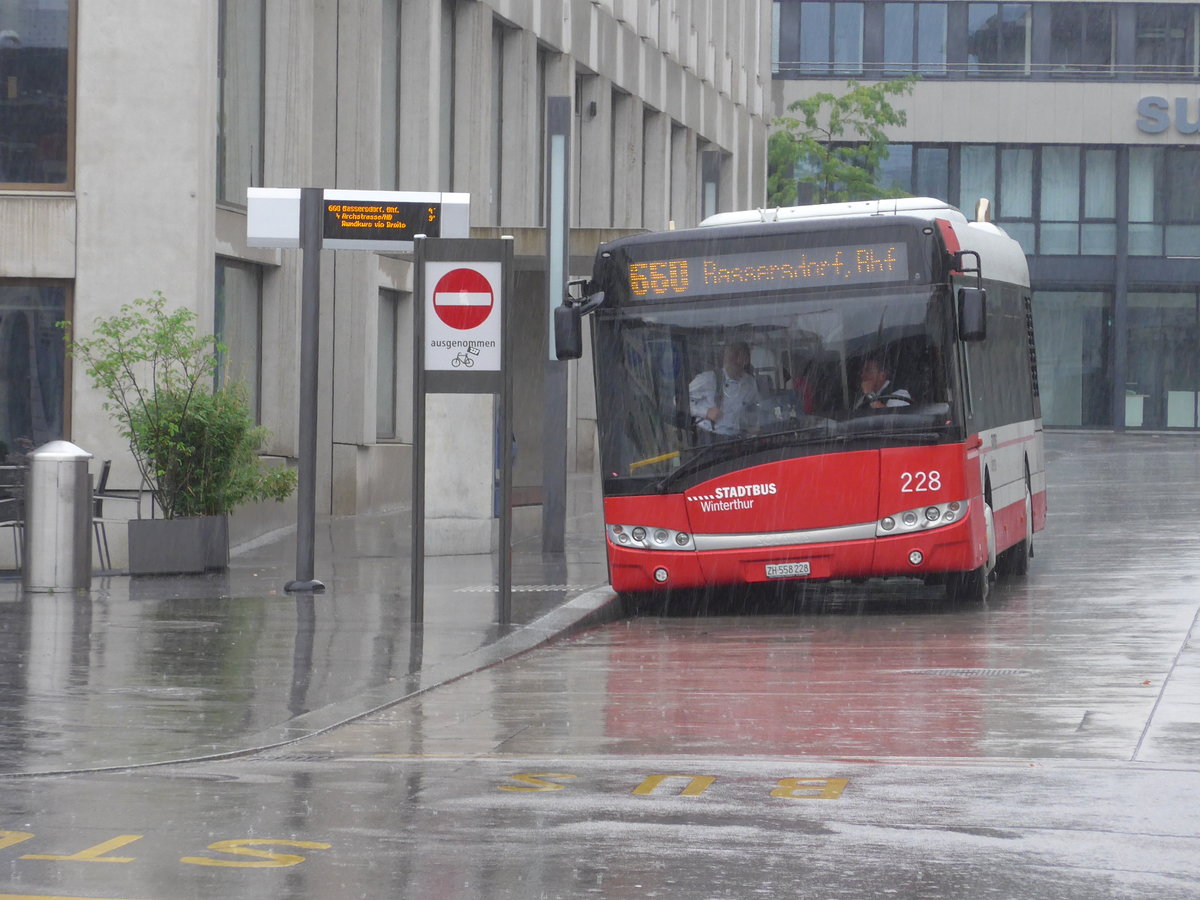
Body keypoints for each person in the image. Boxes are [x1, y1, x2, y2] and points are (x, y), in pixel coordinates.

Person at [689, 341, 759, 439]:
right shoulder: (708, 379)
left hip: (736, 437)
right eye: (733, 357)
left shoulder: (750, 383)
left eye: (741, 357)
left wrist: (753, 425)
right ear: (726, 359)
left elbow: (754, 409)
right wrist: (705, 412)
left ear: (746, 360)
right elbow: (680, 402)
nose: (737, 361)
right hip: (709, 437)